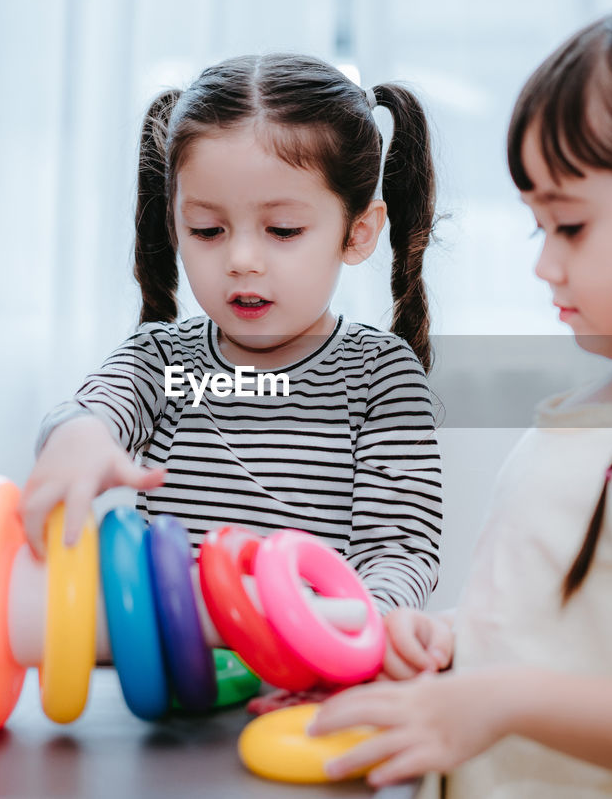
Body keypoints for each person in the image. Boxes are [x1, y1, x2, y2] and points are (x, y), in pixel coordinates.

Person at [309, 0, 612, 797]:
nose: (544, 265)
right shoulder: (598, 414)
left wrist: (504, 697)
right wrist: (448, 645)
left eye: (570, 227)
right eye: (537, 227)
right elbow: (565, 639)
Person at [22, 53, 443, 614]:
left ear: (358, 231)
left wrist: (360, 627)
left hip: (315, 674)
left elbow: (400, 553)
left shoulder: (380, 376)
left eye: (283, 230)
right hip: (177, 682)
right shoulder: (160, 364)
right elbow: (90, 411)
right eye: (209, 230)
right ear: (174, 225)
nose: (242, 260)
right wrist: (77, 436)